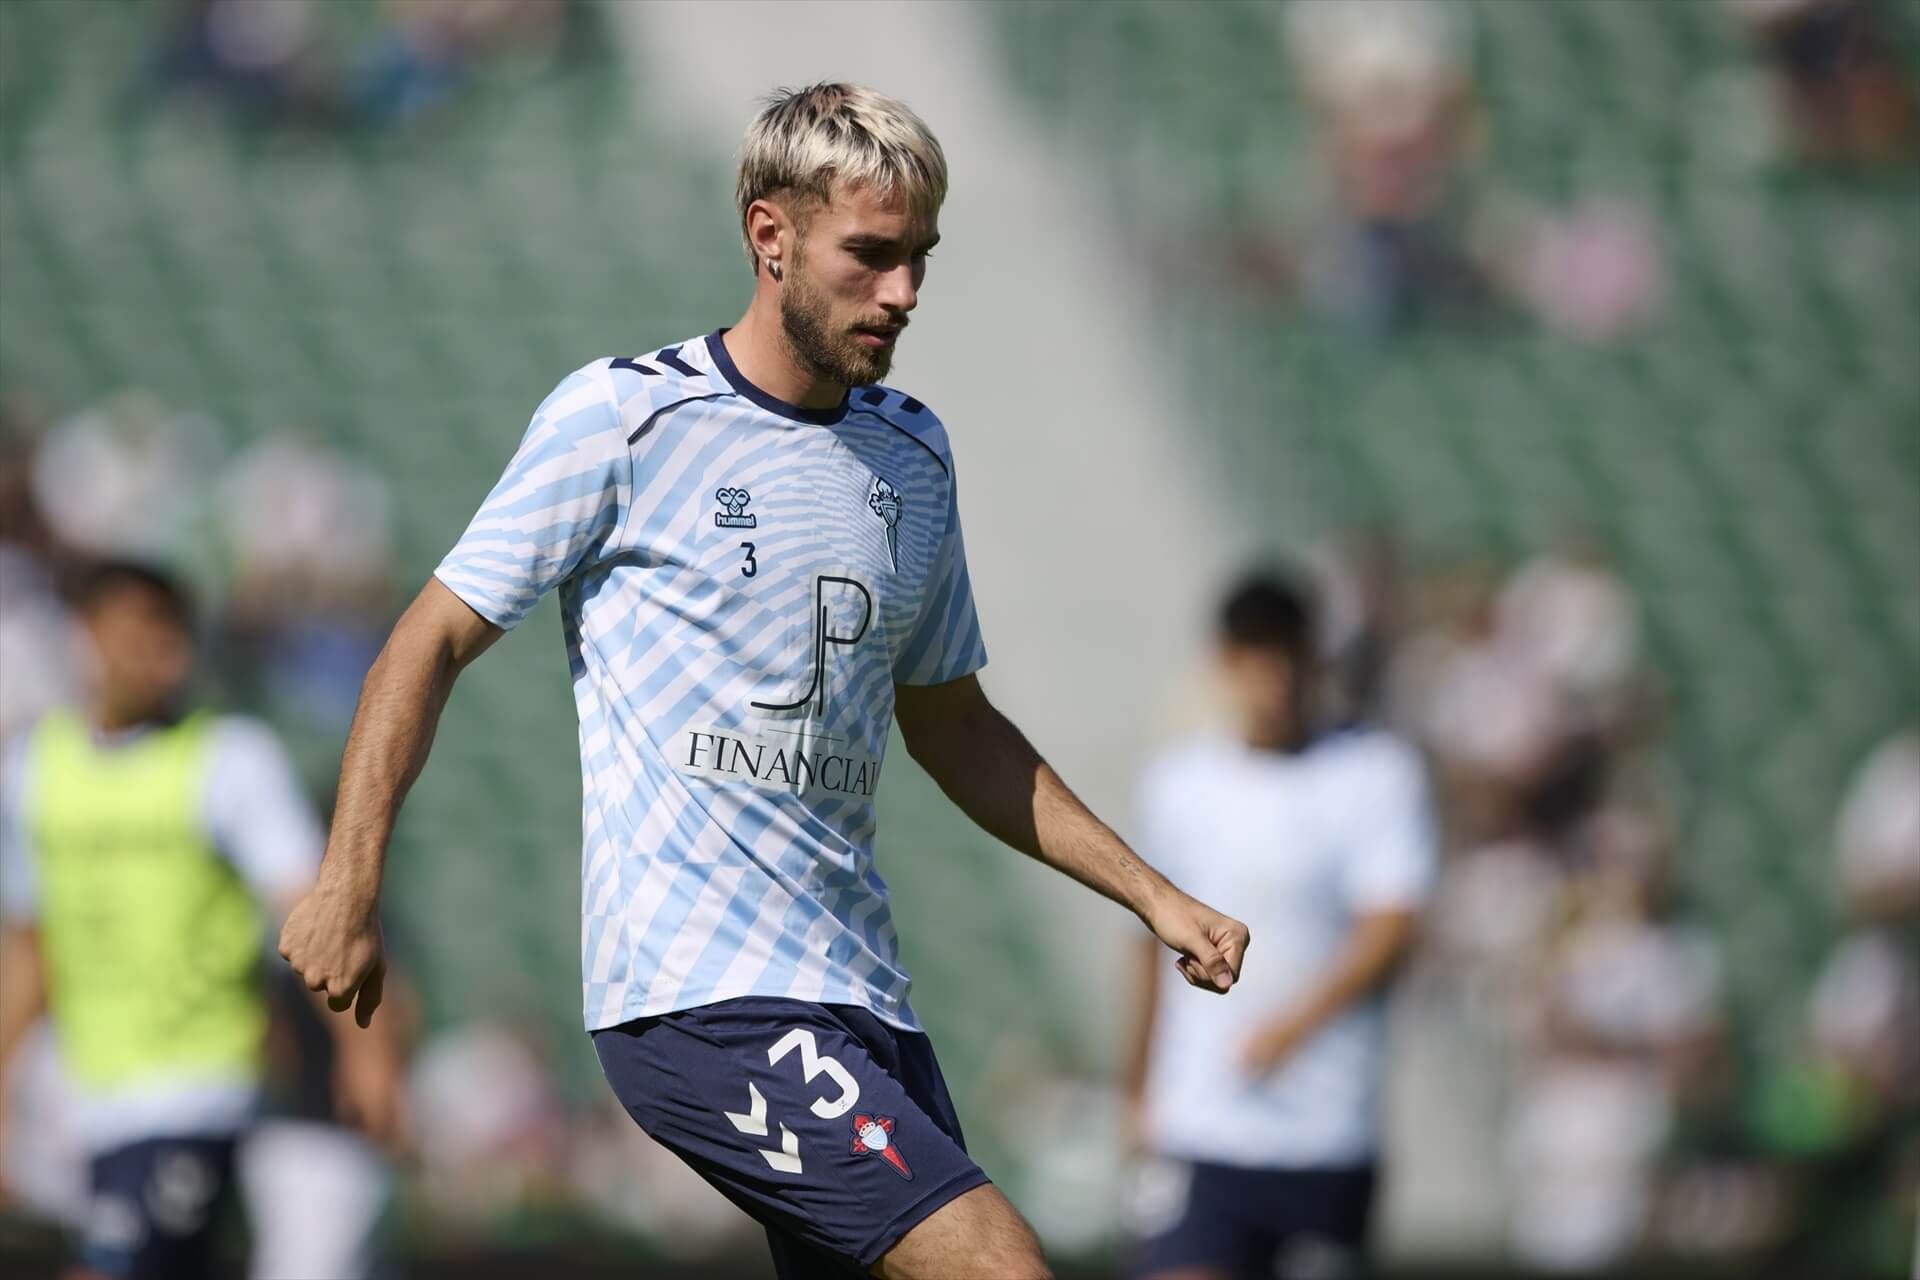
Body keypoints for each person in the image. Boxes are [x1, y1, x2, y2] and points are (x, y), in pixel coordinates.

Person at [276, 82, 1251, 1280]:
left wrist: (1153, 896)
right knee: (1000, 1264)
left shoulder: (913, 449)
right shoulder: (626, 419)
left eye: (921, 259)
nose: (903, 292)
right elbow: (422, 640)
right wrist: (348, 877)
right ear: (770, 234)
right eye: (873, 254)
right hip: (703, 993)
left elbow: (952, 721)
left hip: (866, 998)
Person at [0, 560, 406, 1279]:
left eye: (172, 640)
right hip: (81, 1102)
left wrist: (366, 1053)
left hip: (198, 1087)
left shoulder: (230, 760)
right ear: (83, 637)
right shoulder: (34, 770)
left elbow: (320, 920)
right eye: (138, 638)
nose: (164, 659)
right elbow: (30, 950)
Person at [1120, 571, 1435, 1280]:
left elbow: (1392, 925)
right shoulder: (1180, 784)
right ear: (1225, 662)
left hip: (1323, 1129)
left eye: (1288, 655)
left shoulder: (1375, 772)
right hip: (1201, 1124)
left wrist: (1293, 1028)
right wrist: (1136, 1088)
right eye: (1258, 656)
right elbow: (1145, 945)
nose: (1277, 678)